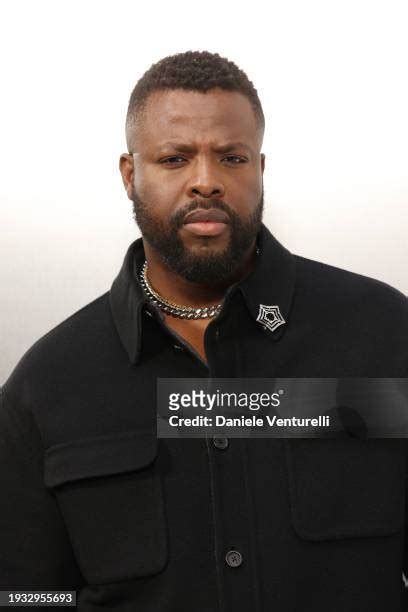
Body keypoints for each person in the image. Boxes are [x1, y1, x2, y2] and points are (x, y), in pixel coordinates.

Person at [1, 50, 408, 611]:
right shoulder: (44, 388)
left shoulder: (385, 336)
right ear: (129, 174)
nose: (206, 182)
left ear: (260, 170)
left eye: (231, 157)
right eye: (174, 159)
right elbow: (25, 596)